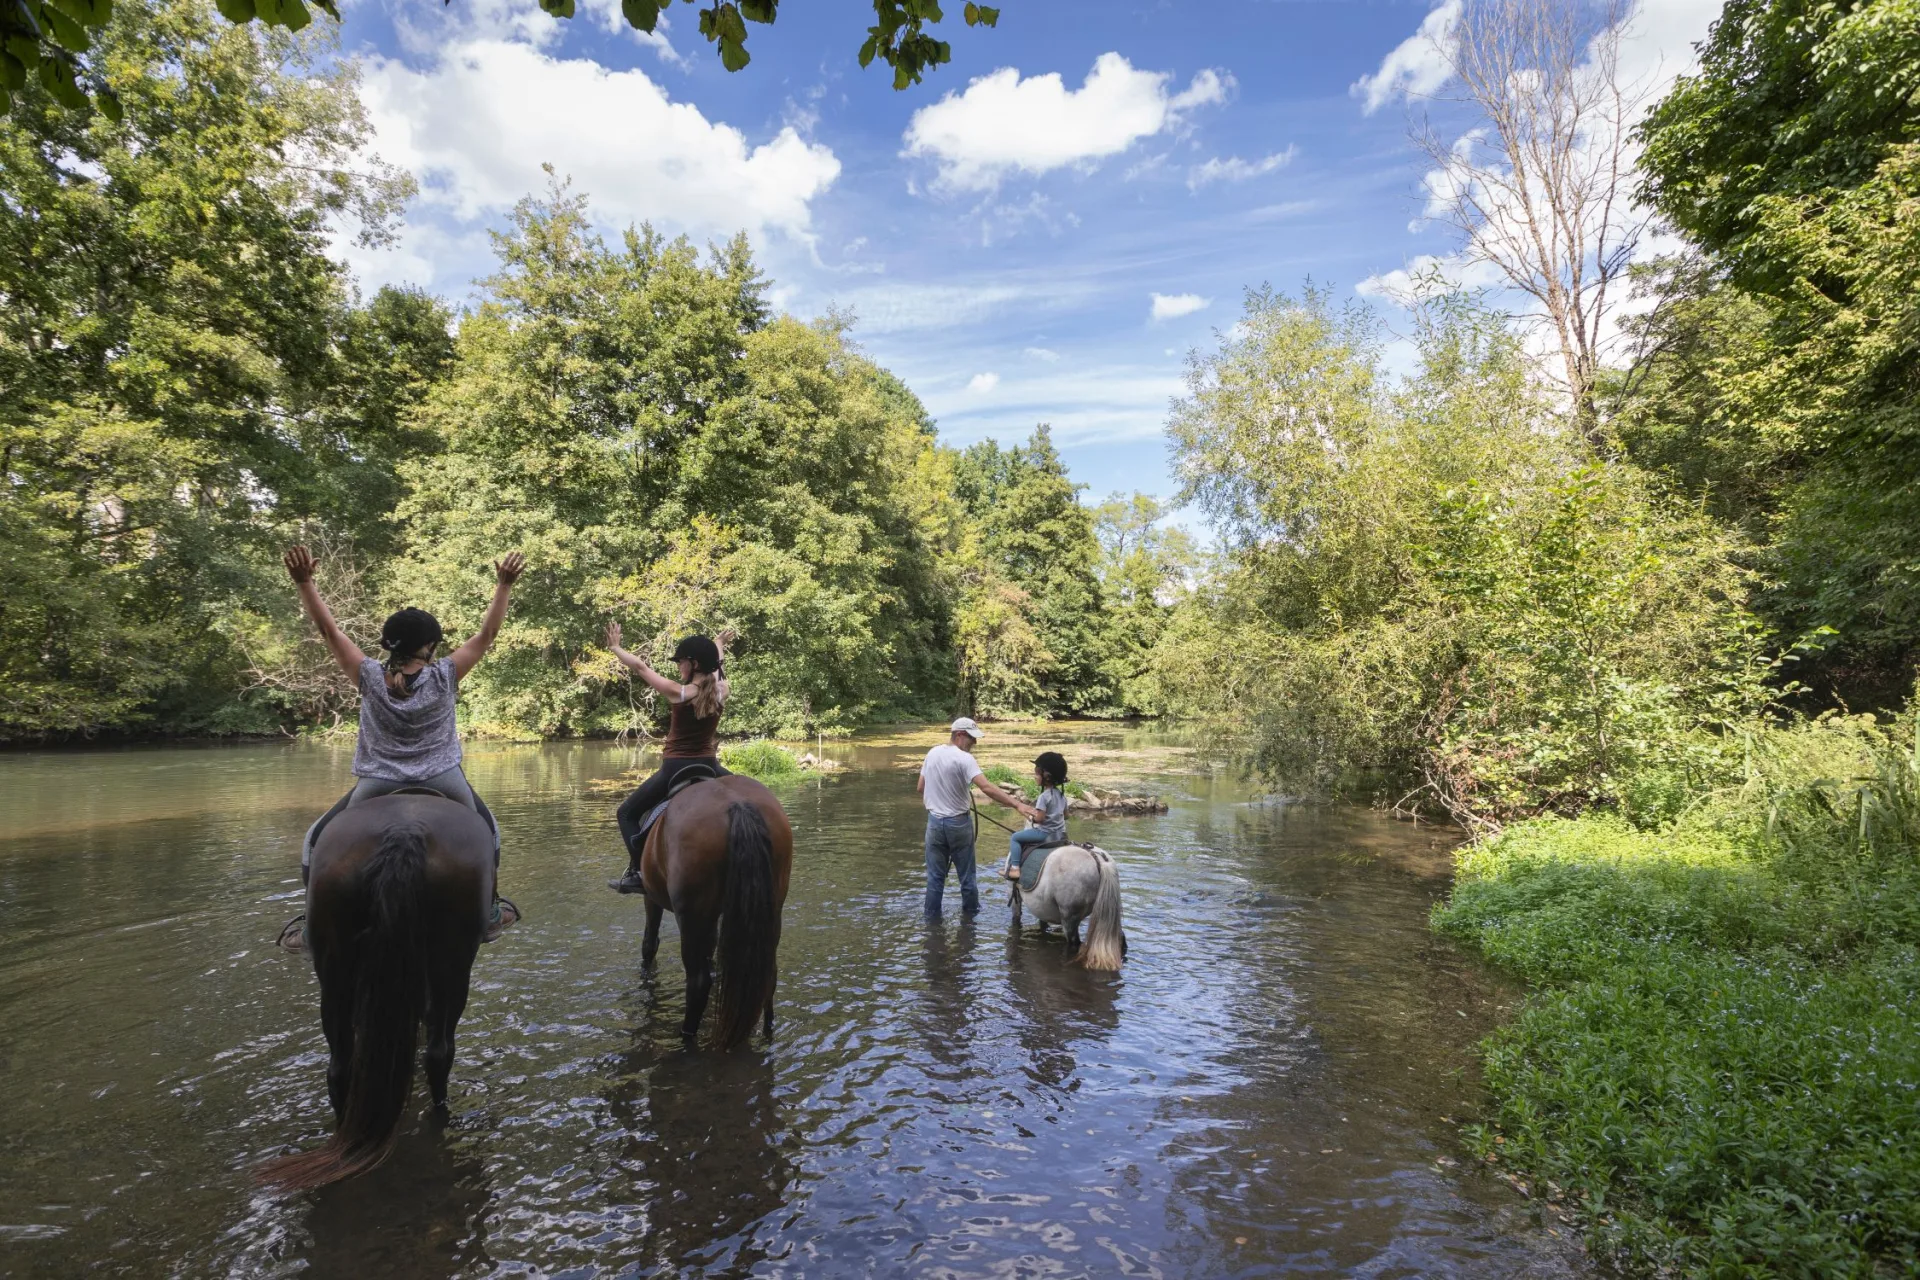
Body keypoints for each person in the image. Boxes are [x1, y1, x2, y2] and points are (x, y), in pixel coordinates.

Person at [287, 544, 523, 940]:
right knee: (488, 831)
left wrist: (305, 582)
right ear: (430, 646)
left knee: (315, 839)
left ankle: (310, 924)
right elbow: (488, 634)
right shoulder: (446, 675)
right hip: (443, 778)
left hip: (377, 781)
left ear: (388, 645)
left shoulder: (368, 676)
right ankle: (490, 911)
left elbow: (328, 630)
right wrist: (503, 585)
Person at [605, 621, 737, 893]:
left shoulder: (680, 693)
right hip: (710, 766)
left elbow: (640, 667)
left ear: (695, 664)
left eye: (682, 662)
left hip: (675, 769)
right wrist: (719, 644)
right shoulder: (723, 692)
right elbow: (720, 669)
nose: (679, 666)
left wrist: (616, 647)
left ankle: (638, 872)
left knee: (626, 813)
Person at [917, 718, 1037, 916]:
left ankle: (932, 926)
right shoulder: (965, 759)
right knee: (967, 877)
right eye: (972, 738)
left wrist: (941, 798)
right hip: (958, 824)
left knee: (935, 878)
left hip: (935, 824)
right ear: (960, 735)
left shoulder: (932, 753)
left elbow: (920, 787)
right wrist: (1017, 804)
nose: (975, 743)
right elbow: (987, 787)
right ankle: (970, 923)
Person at [1004, 751, 1070, 881]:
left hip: (1045, 834)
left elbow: (1040, 819)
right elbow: (1066, 816)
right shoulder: (1062, 796)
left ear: (1047, 776)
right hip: (1060, 834)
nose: (1035, 776)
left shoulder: (1044, 796)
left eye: (1037, 773)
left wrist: (1032, 817)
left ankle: (1015, 868)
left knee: (1015, 838)